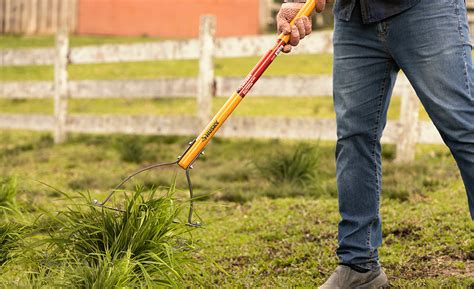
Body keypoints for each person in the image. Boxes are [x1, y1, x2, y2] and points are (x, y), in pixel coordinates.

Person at [277, 0, 474, 287]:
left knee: (464, 128)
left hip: (426, 9)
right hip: (354, 17)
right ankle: (359, 265)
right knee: (354, 138)